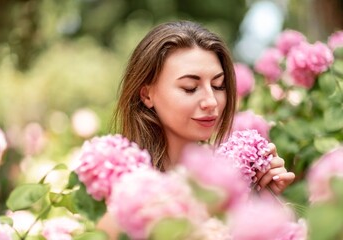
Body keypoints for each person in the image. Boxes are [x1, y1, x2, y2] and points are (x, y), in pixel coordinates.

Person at [100, 20, 295, 237]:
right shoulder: (124, 194)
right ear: (147, 95)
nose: (211, 101)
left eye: (218, 85)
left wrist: (264, 202)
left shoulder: (231, 181)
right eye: (190, 88)